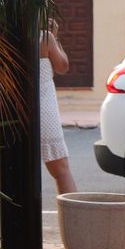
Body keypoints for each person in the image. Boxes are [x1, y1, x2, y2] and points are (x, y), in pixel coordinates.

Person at [40, 19, 77, 194]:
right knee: (61, 170)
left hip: (16, 109)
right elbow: (63, 66)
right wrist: (55, 37)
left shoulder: (8, 37)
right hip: (45, 109)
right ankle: (73, 219)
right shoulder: (45, 38)